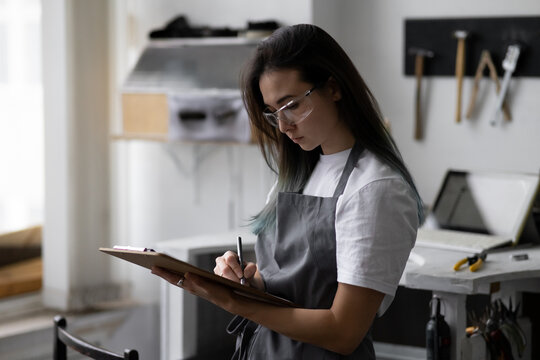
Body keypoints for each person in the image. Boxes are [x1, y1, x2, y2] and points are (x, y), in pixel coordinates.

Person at [151, 23, 424, 359]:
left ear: (334, 87)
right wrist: (250, 284)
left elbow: (344, 332)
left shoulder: (375, 189)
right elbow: (292, 284)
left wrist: (238, 303)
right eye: (272, 113)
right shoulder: (301, 171)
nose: (283, 126)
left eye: (291, 105)